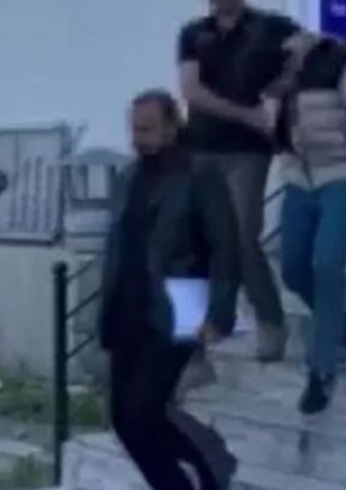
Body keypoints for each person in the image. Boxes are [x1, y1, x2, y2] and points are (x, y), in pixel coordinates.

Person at [176, 0, 313, 361]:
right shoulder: (194, 34)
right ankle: (195, 330)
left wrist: (280, 87)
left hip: (246, 152)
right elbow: (192, 90)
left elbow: (310, 46)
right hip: (200, 147)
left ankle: (270, 323)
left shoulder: (268, 27)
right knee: (191, 240)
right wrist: (248, 114)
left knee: (241, 237)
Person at [98, 89, 239, 490]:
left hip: (179, 307)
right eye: (134, 129)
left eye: (147, 129)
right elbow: (117, 245)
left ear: (172, 127)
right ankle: (191, 477)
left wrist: (220, 312)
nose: (137, 138)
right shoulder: (127, 178)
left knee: (143, 411)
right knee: (124, 421)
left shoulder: (199, 173)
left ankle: (208, 465)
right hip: (126, 309)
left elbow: (226, 247)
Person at [272, 35, 346, 413]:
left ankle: (322, 370)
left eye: (291, 54)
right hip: (298, 178)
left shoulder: (342, 68)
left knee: (327, 264)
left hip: (342, 174)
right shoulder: (277, 81)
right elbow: (273, 128)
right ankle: (343, 330)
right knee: (293, 267)